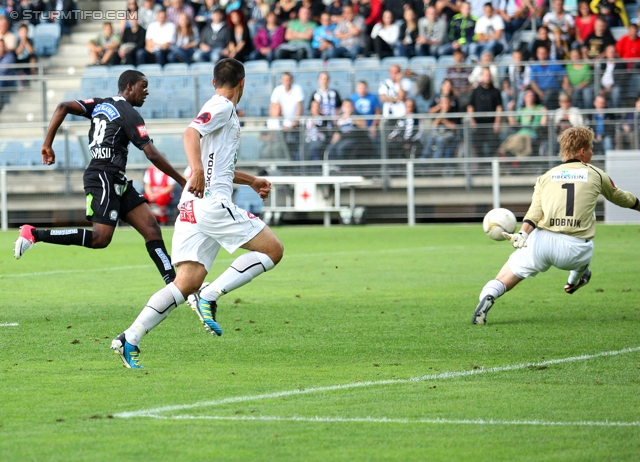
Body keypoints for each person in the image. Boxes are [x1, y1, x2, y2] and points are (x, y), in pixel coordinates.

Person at [111, 59, 284, 368]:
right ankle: (211, 295)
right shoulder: (224, 107)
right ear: (241, 83)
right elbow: (189, 134)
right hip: (211, 205)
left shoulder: (215, 105)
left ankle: (129, 337)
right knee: (273, 250)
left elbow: (218, 166)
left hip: (192, 204)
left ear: (213, 81)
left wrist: (251, 180)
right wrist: (198, 168)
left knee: (186, 282)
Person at [14, 70, 187, 286]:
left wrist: (47, 144)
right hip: (104, 177)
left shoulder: (100, 104)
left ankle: (175, 285)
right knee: (100, 239)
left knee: (151, 228)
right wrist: (182, 181)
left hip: (115, 178)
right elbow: (150, 153)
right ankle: (34, 234)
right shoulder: (129, 113)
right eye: (143, 86)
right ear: (129, 86)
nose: (147, 91)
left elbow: (62, 107)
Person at [472, 126, 640, 325]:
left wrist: (523, 234)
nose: (592, 152)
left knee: (506, 275)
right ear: (581, 151)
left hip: (541, 243)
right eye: (590, 148)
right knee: (588, 222)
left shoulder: (546, 176)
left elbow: (534, 212)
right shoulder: (596, 174)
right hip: (575, 249)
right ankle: (574, 280)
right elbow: (620, 197)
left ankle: (489, 295)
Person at [467, 66, 502, 157]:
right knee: (478, 148)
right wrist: (472, 120)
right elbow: (470, 106)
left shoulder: (496, 91)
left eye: (489, 75)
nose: (487, 77)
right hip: (478, 124)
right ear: (482, 76)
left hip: (491, 124)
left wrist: (497, 123)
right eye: (485, 75)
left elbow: (499, 108)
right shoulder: (476, 91)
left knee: (493, 148)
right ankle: (480, 168)